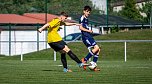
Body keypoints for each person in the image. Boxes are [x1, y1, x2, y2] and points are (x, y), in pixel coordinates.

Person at [79, 6, 100, 71]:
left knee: (98, 50)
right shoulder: (82, 18)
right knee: (96, 48)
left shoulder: (86, 19)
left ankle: (93, 66)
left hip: (89, 36)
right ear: (84, 11)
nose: (88, 13)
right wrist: (89, 31)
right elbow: (80, 28)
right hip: (86, 36)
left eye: (89, 12)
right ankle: (84, 60)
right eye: (87, 11)